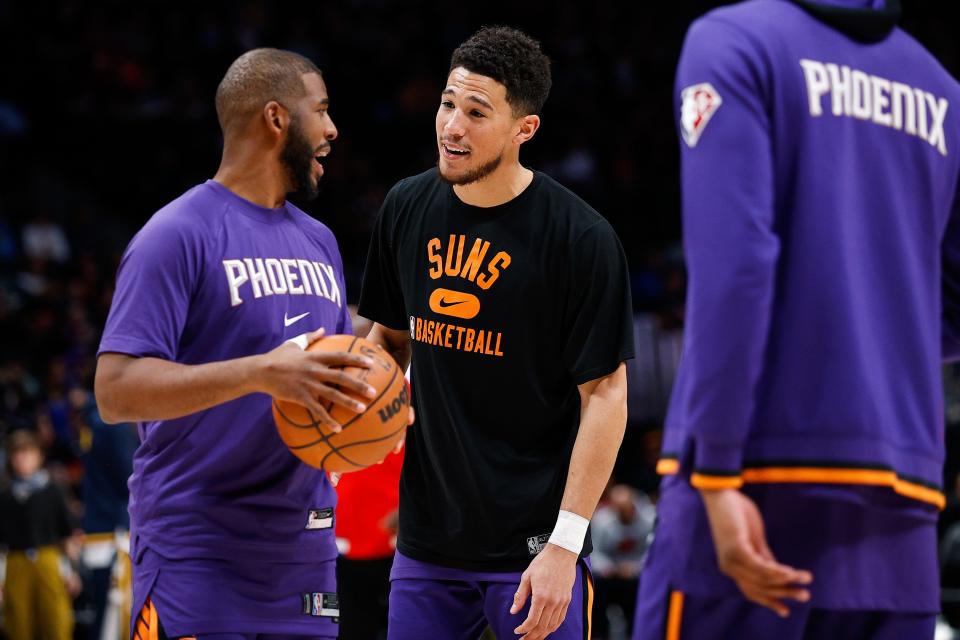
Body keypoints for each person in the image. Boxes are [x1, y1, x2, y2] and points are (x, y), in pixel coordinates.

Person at [635, 1, 960, 638]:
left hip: (755, 470)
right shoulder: (940, 88)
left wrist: (719, 469)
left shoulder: (731, 41)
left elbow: (736, 269)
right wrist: (874, 344)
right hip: (903, 494)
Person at [358, 26, 634, 640]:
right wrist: (350, 403)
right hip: (426, 543)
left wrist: (565, 545)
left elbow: (606, 396)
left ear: (523, 130)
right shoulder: (405, 207)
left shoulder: (580, 239)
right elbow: (387, 342)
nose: (452, 126)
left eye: (476, 112)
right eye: (447, 103)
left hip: (534, 549)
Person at [94, 48, 378, 640]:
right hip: (197, 551)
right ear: (276, 119)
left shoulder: (322, 241)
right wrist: (258, 374)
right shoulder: (175, 235)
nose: (331, 130)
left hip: (303, 550)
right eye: (320, 110)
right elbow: (114, 392)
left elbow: (331, 380)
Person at [0, 429, 77, 640]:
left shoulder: (53, 491)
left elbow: (66, 534)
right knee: (18, 623)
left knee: (55, 620)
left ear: (39, 456)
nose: (22, 458)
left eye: (27, 452)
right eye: (17, 453)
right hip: (16, 562)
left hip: (49, 559)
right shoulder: (5, 496)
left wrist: (71, 571)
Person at [590, 485, 655, 639]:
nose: (623, 512)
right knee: (596, 587)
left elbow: (654, 551)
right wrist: (609, 567)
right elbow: (594, 551)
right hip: (609, 574)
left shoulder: (650, 517)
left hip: (637, 573)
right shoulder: (601, 519)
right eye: (619, 508)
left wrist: (635, 567)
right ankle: (600, 633)